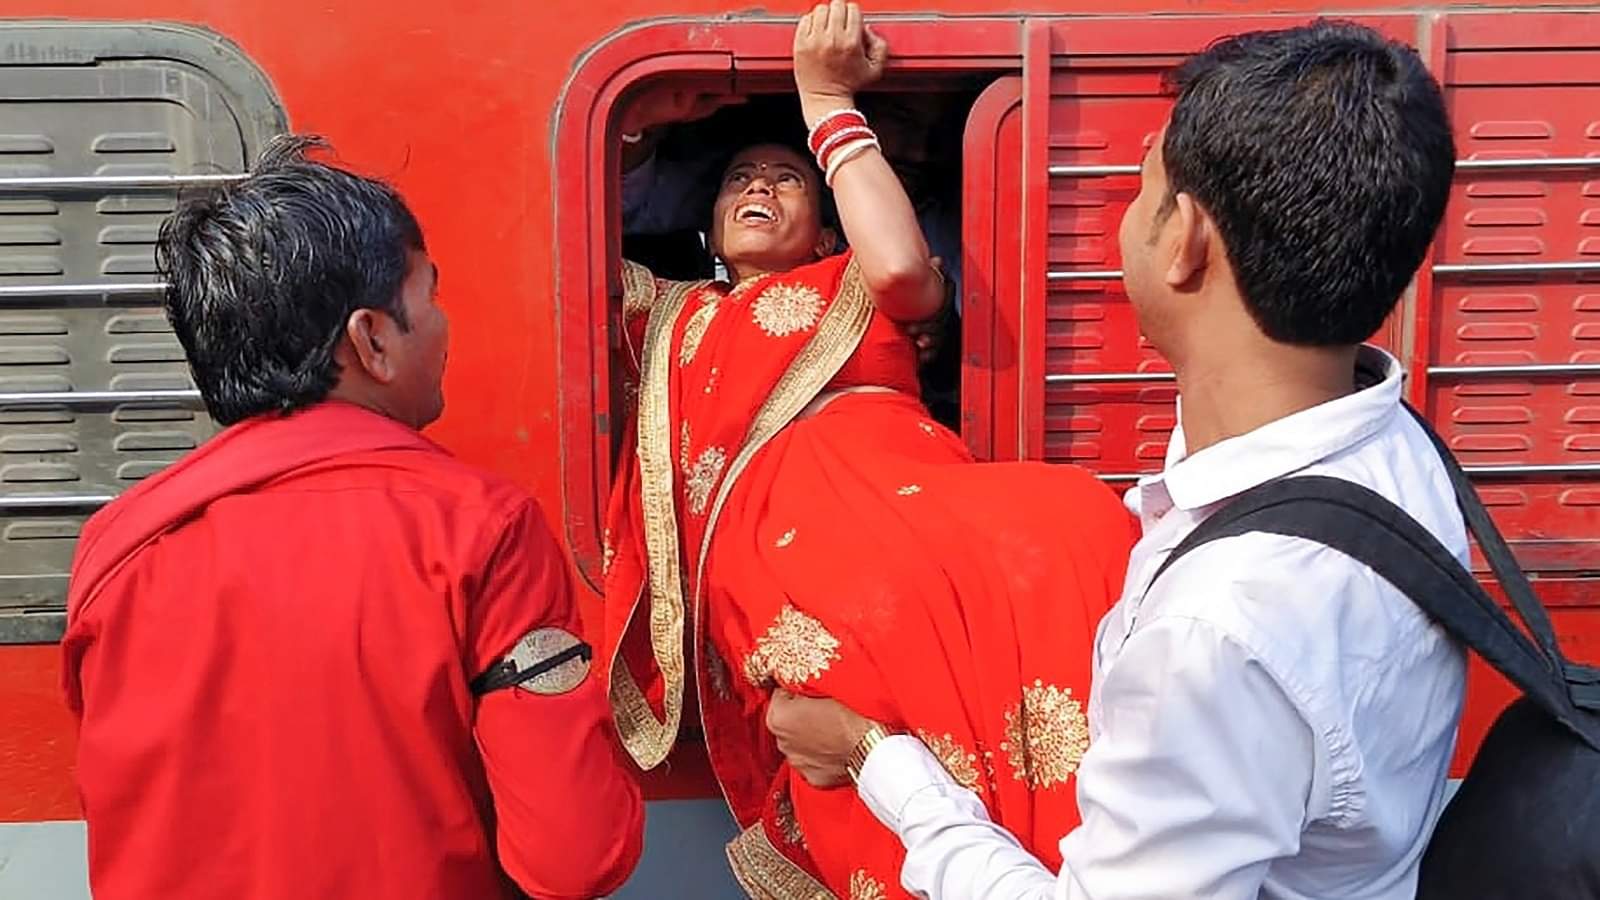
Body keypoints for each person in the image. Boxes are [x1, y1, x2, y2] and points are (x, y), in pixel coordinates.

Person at [765, 19, 1468, 900]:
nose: (1127, 216)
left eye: (1143, 190)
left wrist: (875, 759)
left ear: (1187, 243)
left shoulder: (1217, 633)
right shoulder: (1398, 447)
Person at [599, 4, 1135, 899]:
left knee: (1077, 520)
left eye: (787, 177)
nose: (760, 188)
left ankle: (1074, 859)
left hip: (910, 490)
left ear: (831, 221)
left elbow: (899, 269)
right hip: (787, 541)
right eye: (739, 178)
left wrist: (828, 107)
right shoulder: (671, 315)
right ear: (707, 226)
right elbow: (557, 239)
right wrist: (647, 130)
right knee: (874, 615)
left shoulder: (858, 282)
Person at [61, 136, 644, 900]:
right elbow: (575, 858)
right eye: (428, 299)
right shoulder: (479, 528)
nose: (442, 328)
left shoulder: (116, 543)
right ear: (372, 339)